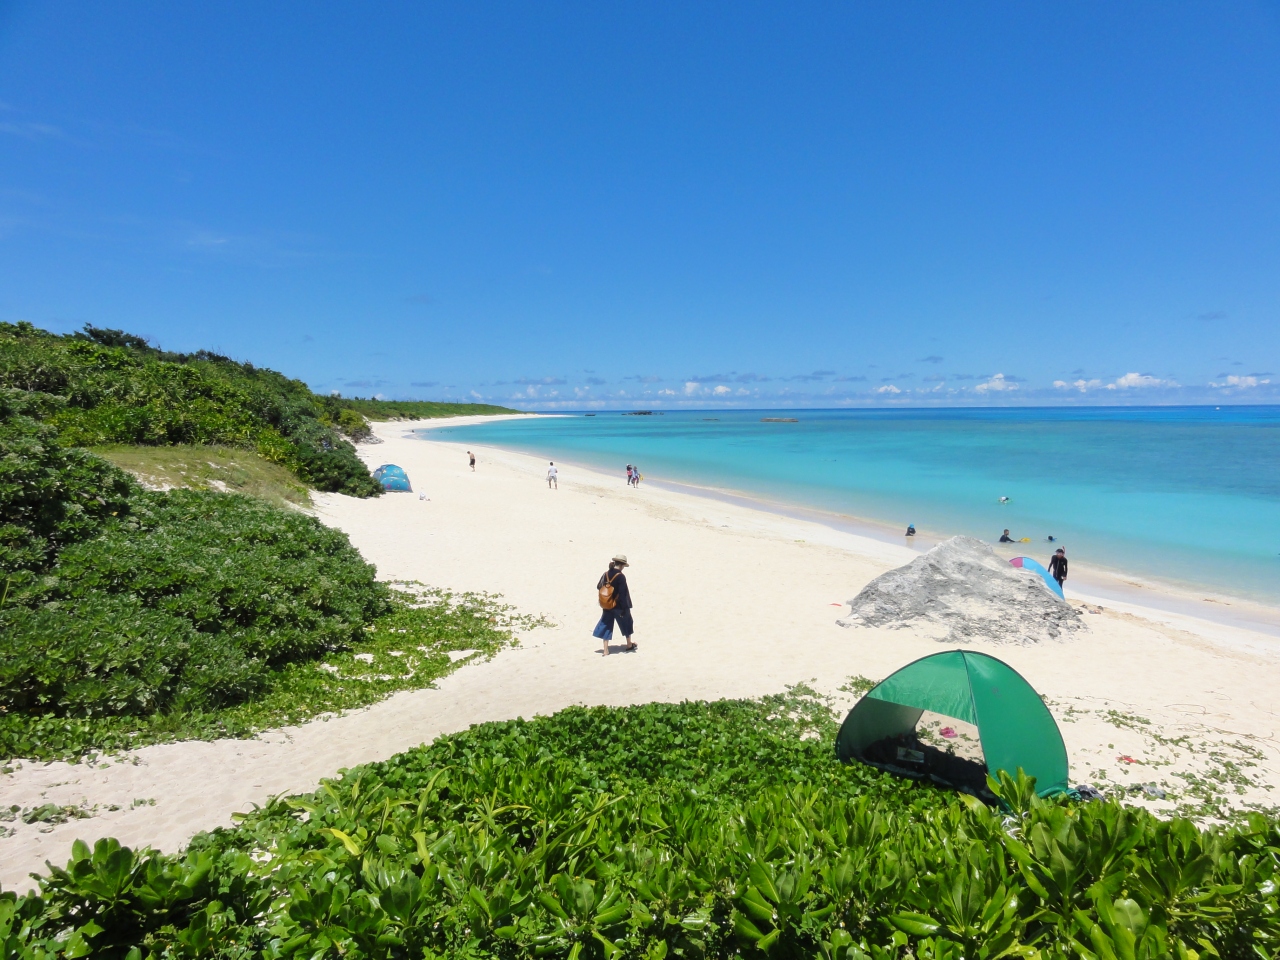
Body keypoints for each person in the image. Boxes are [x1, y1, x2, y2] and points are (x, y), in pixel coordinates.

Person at [596, 554, 635, 655]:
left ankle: (605, 650)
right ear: (622, 565)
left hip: (607, 604)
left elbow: (598, 586)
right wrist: (623, 608)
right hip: (618, 605)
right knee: (627, 622)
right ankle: (629, 644)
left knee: (607, 624)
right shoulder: (621, 576)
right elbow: (623, 594)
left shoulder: (606, 573)